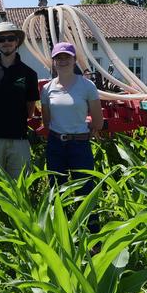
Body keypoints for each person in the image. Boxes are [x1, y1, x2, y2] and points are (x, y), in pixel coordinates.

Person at [0, 22, 40, 177]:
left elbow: (30, 108)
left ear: (17, 42)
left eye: (10, 38)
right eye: (2, 39)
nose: (6, 42)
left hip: (18, 139)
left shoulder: (29, 74)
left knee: (19, 187)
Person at [40, 42, 104, 193]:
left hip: (80, 145)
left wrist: (86, 128)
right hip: (55, 145)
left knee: (85, 189)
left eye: (67, 57)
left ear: (74, 60)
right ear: (53, 62)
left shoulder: (87, 86)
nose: (63, 61)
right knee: (56, 190)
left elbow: (98, 122)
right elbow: (46, 121)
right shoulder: (47, 89)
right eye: (59, 58)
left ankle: (88, 217)